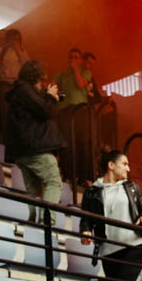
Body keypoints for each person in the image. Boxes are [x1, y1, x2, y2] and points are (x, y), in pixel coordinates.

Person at [79, 149, 142, 281]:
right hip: (109, 250)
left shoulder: (132, 187)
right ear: (111, 165)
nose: (128, 169)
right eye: (124, 164)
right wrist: (85, 230)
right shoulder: (92, 192)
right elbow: (86, 218)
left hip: (134, 245)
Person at [4, 60, 65, 224]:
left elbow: (38, 109)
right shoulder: (24, 89)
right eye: (41, 80)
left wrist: (48, 97)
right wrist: (50, 97)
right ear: (36, 77)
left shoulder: (20, 92)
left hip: (24, 150)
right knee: (54, 181)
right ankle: (47, 222)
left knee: (34, 192)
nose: (42, 84)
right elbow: (44, 111)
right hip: (35, 148)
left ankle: (32, 225)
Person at [56, 48, 93, 183]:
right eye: (71, 57)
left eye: (76, 57)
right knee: (66, 142)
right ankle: (67, 174)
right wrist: (63, 98)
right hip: (66, 110)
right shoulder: (62, 74)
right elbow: (54, 87)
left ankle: (83, 176)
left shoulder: (86, 72)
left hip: (80, 110)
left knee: (81, 142)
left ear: (80, 60)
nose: (73, 60)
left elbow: (81, 84)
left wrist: (76, 69)